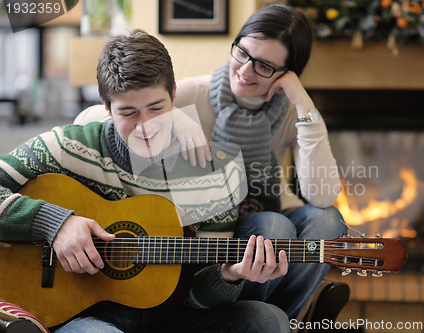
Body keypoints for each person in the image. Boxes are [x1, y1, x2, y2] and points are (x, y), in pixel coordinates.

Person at [0, 29, 291, 333]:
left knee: (268, 320)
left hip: (172, 316)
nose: (146, 127)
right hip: (83, 315)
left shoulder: (218, 174)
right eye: (128, 112)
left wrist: (229, 275)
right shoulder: (64, 148)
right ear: (105, 106)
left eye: (156, 108)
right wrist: (54, 223)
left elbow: (193, 297)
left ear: (174, 95)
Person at [76, 4, 349, 322]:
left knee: (328, 220)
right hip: (211, 225)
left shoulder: (290, 111)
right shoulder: (194, 91)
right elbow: (97, 118)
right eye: (243, 53)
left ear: (288, 74)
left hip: (266, 208)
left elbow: (323, 195)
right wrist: (175, 116)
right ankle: (238, 313)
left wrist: (303, 102)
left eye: (265, 66)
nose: (246, 70)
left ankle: (287, 318)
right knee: (274, 228)